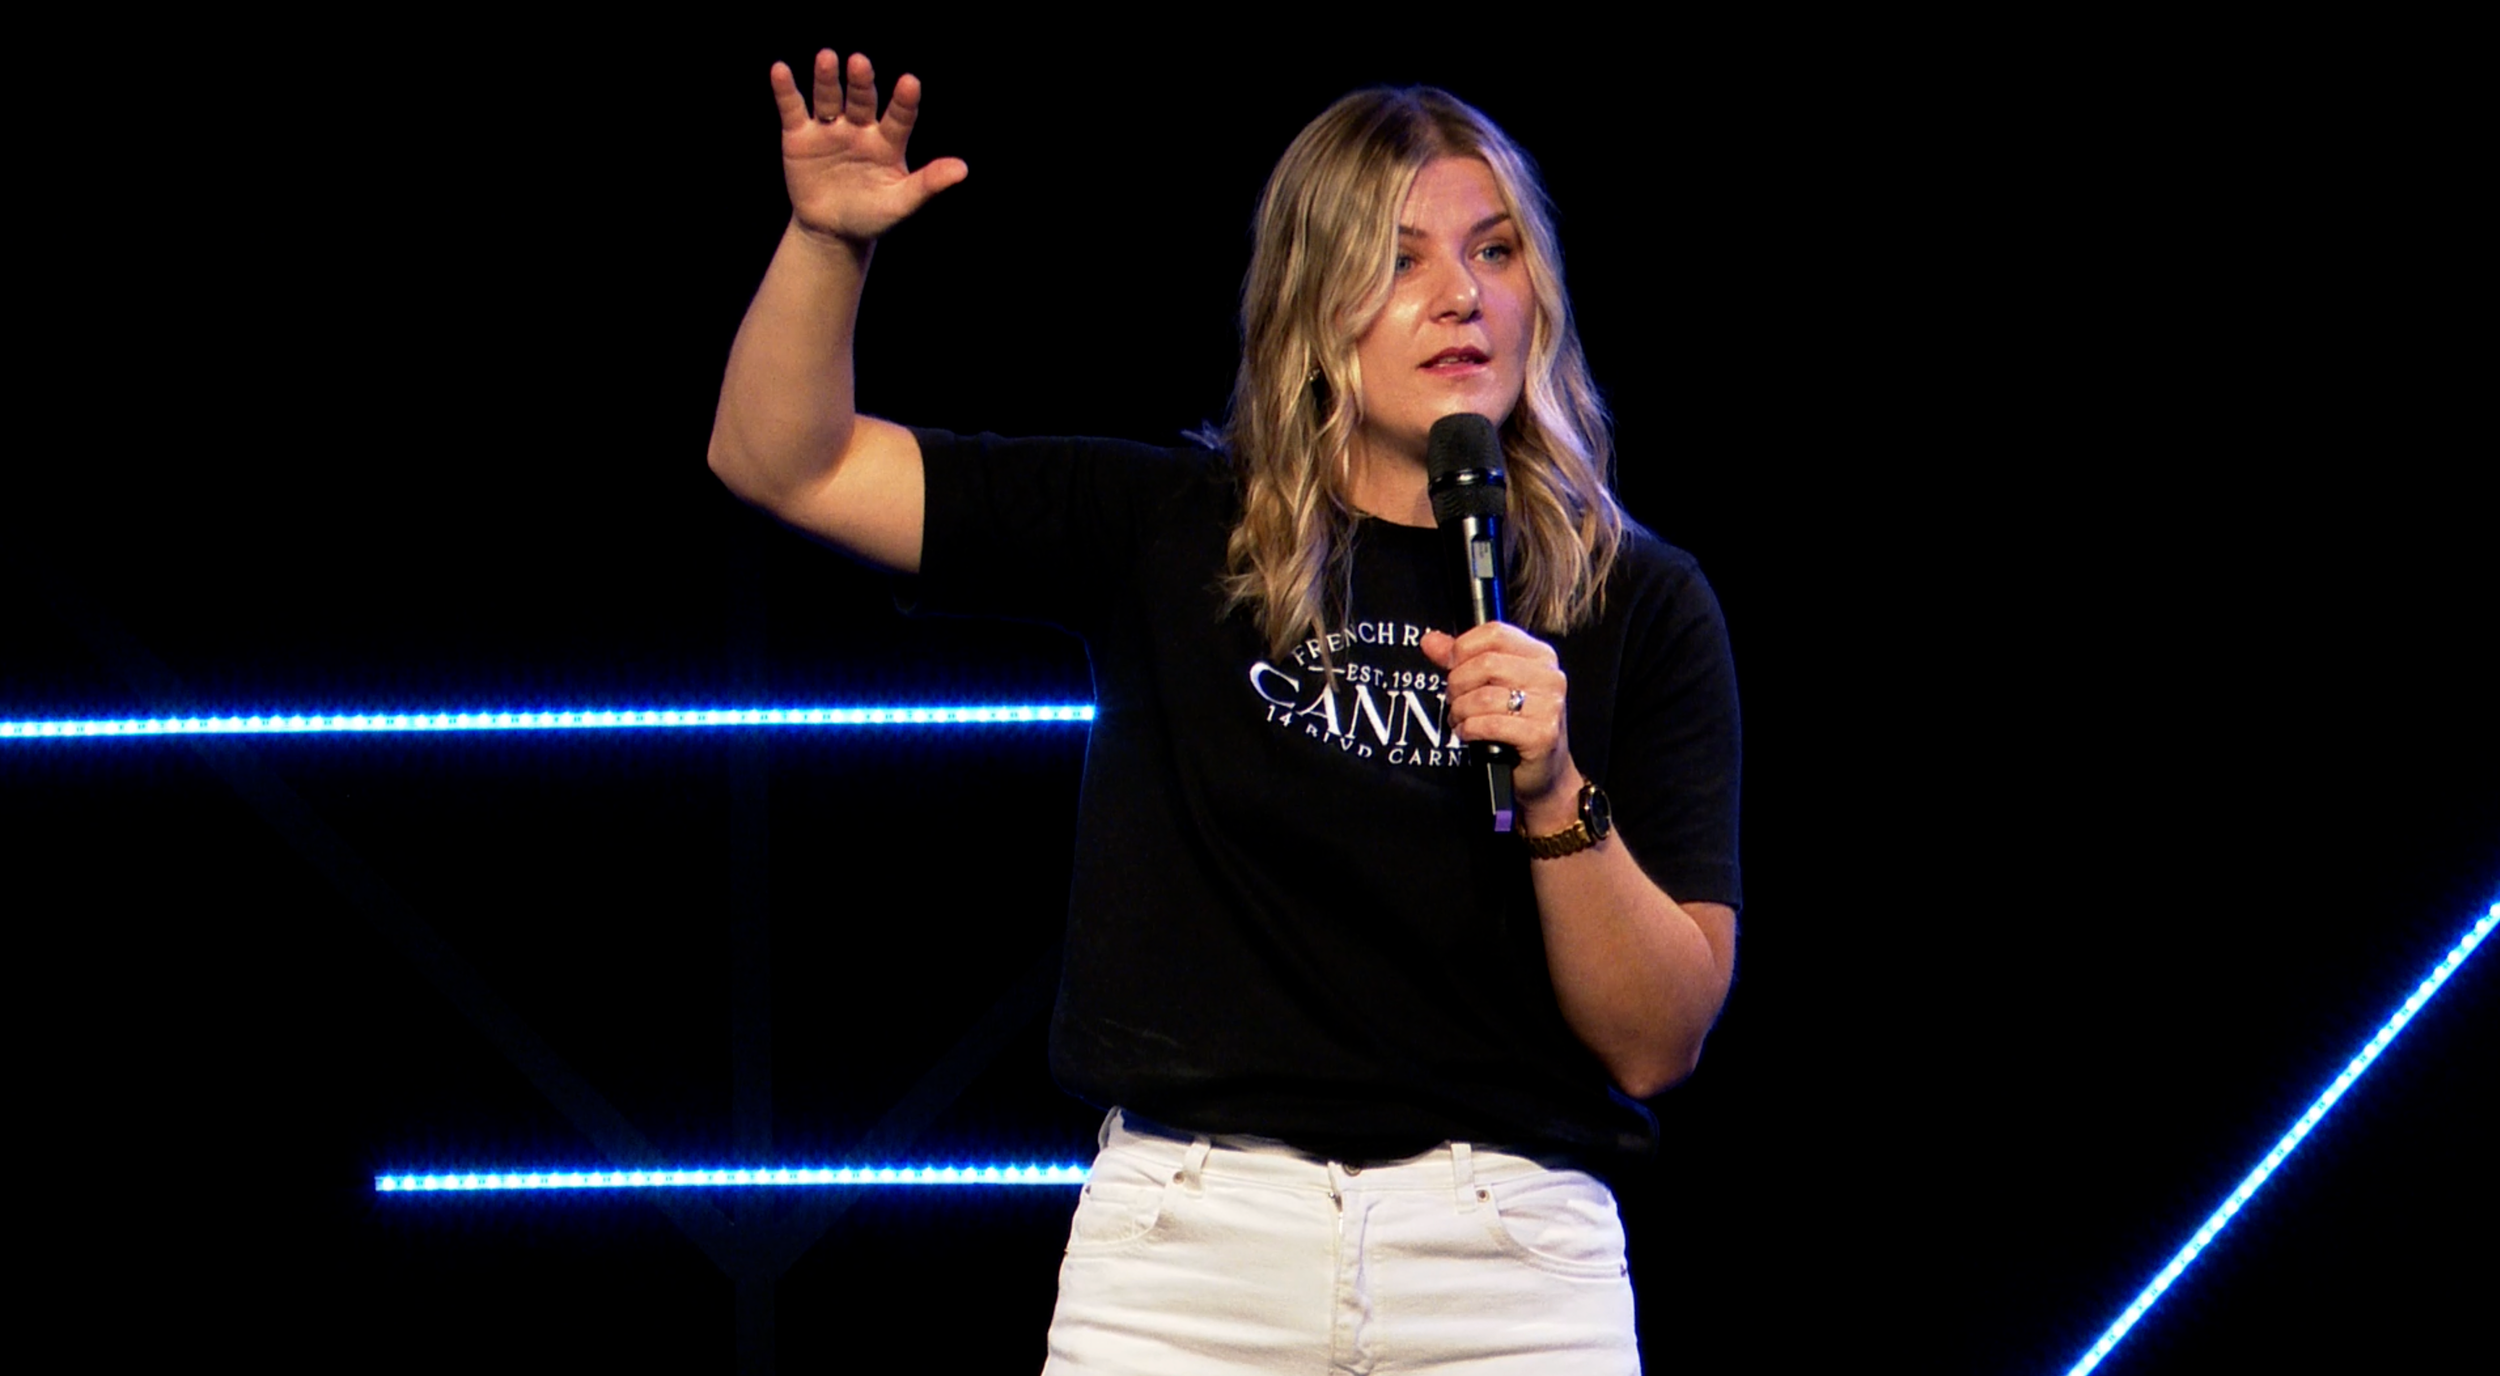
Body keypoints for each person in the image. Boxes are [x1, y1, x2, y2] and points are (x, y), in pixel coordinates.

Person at [710, 48, 1741, 1376]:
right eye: (1401, 259)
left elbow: (1657, 1041)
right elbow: (779, 459)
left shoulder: (1639, 603)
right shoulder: (1169, 532)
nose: (1460, 298)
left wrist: (1553, 792)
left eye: (1494, 251)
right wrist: (823, 244)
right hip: (1191, 1257)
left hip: (1509, 1265)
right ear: (1316, 304)